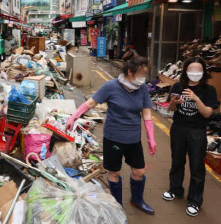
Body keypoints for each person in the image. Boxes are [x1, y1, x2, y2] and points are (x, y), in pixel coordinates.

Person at [65, 51, 156, 214]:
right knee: (114, 172)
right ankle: (116, 206)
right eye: (142, 74)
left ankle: (137, 200)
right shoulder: (111, 86)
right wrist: (74, 116)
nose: (144, 78)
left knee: (139, 171)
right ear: (130, 72)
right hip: (113, 138)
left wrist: (151, 138)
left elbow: (147, 114)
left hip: (134, 138)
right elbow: (90, 103)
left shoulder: (142, 89)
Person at [162, 57, 218, 217]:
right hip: (178, 128)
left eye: (198, 70)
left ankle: (194, 201)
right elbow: (171, 109)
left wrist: (196, 99)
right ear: (186, 71)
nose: (195, 73)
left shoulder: (209, 90)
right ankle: (175, 190)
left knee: (197, 166)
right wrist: (174, 102)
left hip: (197, 131)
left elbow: (207, 113)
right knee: (177, 161)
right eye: (191, 70)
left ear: (203, 72)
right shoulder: (178, 86)